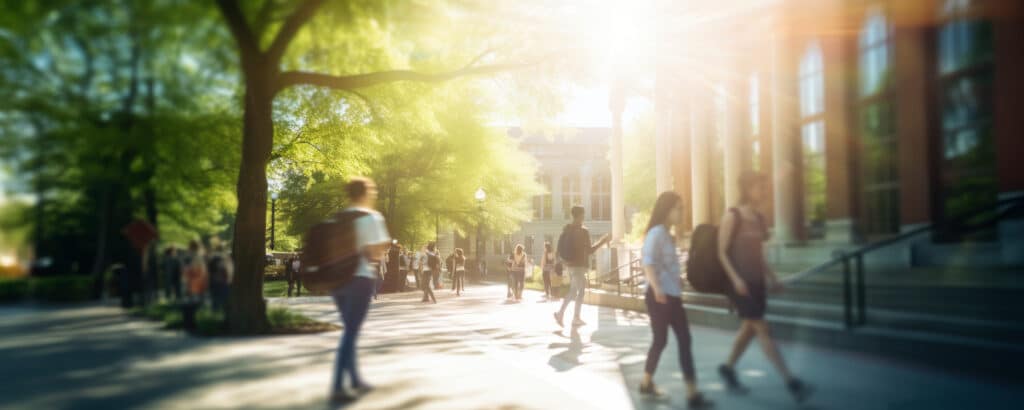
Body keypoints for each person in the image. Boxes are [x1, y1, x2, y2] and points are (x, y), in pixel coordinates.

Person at [717, 171, 812, 403]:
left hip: (758, 283)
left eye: (764, 186)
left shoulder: (759, 219)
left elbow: (758, 254)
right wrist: (735, 280)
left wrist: (773, 277)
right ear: (748, 188)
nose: (764, 191)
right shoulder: (733, 216)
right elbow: (721, 252)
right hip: (740, 285)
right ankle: (791, 381)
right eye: (760, 186)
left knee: (749, 329)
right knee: (762, 328)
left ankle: (728, 368)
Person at [638, 192, 713, 408]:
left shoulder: (667, 235)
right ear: (667, 209)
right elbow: (648, 263)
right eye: (679, 208)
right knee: (663, 341)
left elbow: (663, 265)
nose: (682, 212)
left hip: (671, 295)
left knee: (680, 340)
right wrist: (658, 288)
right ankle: (650, 383)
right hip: (659, 297)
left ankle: (689, 393)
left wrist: (676, 279)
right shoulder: (656, 233)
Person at [329, 177, 391, 404]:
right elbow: (374, 253)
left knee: (349, 329)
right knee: (351, 332)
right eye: (372, 191)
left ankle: (354, 379)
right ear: (365, 193)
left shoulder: (337, 218)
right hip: (360, 278)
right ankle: (337, 385)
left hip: (337, 281)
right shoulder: (372, 217)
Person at [554, 206, 610, 328]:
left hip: (571, 266)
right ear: (580, 215)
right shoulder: (583, 231)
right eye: (583, 215)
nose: (584, 217)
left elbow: (558, 251)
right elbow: (590, 251)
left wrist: (564, 262)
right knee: (578, 292)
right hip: (579, 266)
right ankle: (570, 316)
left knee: (575, 291)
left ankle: (565, 315)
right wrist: (603, 241)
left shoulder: (566, 229)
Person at [207, 242, 234, 312]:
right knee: (224, 297)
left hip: (213, 279)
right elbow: (229, 270)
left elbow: (209, 269)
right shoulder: (226, 258)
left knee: (215, 296)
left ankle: (215, 311)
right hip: (223, 280)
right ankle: (223, 311)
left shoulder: (212, 258)